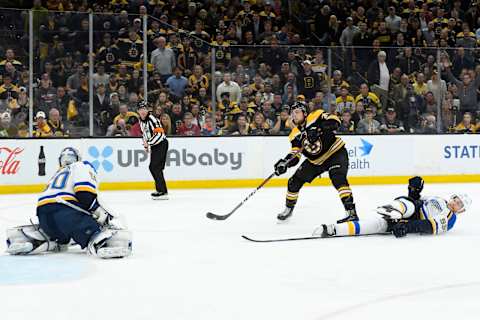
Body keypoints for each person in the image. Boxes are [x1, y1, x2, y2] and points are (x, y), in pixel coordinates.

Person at [5, 147, 132, 259]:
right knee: (96, 231)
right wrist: (99, 212)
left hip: (44, 216)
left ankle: (42, 239)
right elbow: (84, 194)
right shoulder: (82, 165)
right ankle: (102, 243)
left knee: (61, 235)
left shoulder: (57, 173)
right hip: (66, 214)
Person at [274, 101, 358, 223]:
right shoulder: (294, 134)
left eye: (297, 112)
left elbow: (335, 121)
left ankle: (351, 213)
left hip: (335, 152)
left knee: (338, 178)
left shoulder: (316, 115)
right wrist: (285, 163)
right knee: (293, 182)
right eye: (292, 113)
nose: (294, 115)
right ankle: (288, 209)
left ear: (305, 113)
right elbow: (295, 154)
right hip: (316, 161)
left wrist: (319, 128)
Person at [313, 176, 472, 239]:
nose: (455, 203)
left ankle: (333, 230)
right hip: (410, 210)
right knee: (409, 203)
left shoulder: (450, 219)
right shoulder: (438, 199)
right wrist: (414, 190)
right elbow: (416, 200)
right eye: (456, 199)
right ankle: (393, 209)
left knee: (378, 225)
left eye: (459, 204)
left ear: (461, 210)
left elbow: (428, 226)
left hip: (413, 220)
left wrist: (406, 227)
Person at [137, 101, 169, 200]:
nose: (143, 111)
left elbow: (160, 134)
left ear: (148, 110)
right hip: (155, 145)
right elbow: (144, 133)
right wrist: (146, 145)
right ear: (138, 111)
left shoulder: (152, 120)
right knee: (156, 168)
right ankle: (161, 190)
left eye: (144, 109)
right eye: (141, 109)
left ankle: (162, 191)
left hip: (161, 144)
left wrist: (149, 143)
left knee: (154, 167)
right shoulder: (141, 120)